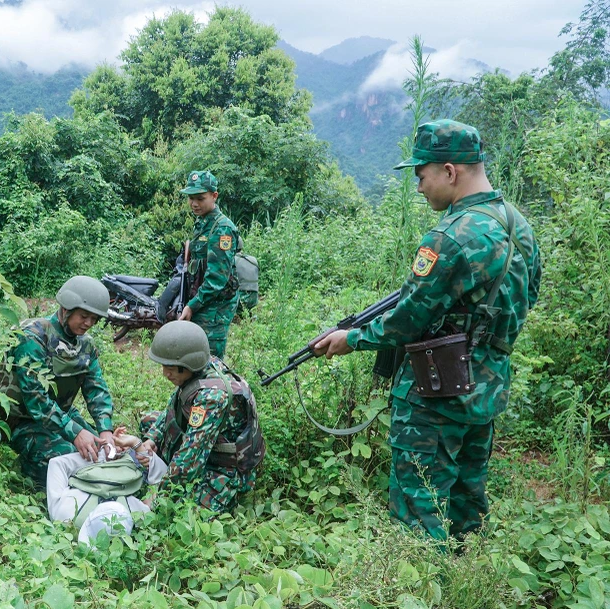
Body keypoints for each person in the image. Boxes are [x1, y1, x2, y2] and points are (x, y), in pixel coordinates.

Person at [313, 119, 542, 543]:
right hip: (487, 388)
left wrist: (353, 338)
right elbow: (527, 298)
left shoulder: (449, 236)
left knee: (418, 508)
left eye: (422, 176)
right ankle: (464, 582)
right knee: (466, 502)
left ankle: (420, 596)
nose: (419, 187)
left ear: (450, 172)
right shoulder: (517, 226)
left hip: (436, 391)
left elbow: (408, 319)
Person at [0, 275, 116, 485]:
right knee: (71, 458)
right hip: (22, 421)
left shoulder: (85, 345)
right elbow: (36, 402)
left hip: (59, 414)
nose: (88, 323)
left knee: (101, 451)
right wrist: (75, 432)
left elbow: (96, 388)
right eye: (83, 316)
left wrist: (105, 429)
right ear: (66, 309)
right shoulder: (32, 338)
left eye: (94, 319)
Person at [138, 321, 264, 513]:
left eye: (171, 367)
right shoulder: (201, 366)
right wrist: (152, 439)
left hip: (224, 465)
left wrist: (159, 497)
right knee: (149, 422)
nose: (165, 373)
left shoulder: (212, 398)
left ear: (189, 363)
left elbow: (191, 456)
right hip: (205, 446)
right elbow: (172, 408)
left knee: (184, 512)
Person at [46, 433, 168, 543]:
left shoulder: (66, 513)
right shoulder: (136, 512)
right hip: (125, 463)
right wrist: (133, 445)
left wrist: (105, 455)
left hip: (112, 461)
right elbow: (161, 477)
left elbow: (56, 463)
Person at [177, 170, 240, 359]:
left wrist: (192, 306)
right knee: (195, 355)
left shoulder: (222, 228)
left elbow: (217, 279)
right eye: (191, 198)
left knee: (210, 359)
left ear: (214, 196)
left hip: (216, 305)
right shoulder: (202, 222)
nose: (194, 203)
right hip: (203, 300)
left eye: (200, 198)